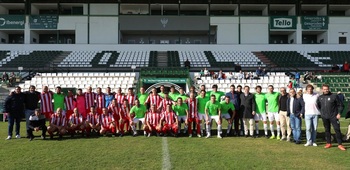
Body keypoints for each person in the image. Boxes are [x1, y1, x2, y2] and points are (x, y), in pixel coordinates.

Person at [317, 84, 346, 151]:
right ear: (322, 89)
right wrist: (322, 113)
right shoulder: (320, 97)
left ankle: (340, 144)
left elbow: (341, 105)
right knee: (327, 130)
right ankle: (328, 143)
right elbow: (318, 106)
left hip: (333, 116)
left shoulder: (334, 96)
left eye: (327, 89)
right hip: (325, 117)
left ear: (329, 89)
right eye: (324, 89)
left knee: (337, 129)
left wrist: (339, 113)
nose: (326, 90)